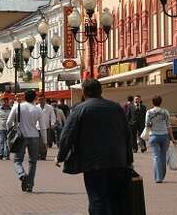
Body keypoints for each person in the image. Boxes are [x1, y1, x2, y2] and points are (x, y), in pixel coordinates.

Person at [56, 78, 133, 215]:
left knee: (97, 198)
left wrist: (60, 156)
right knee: (115, 199)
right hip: (117, 160)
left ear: (84, 92)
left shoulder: (80, 109)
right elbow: (128, 134)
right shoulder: (116, 107)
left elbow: (67, 135)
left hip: (93, 162)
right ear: (101, 91)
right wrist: (128, 158)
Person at [6, 89, 43, 193]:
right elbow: (42, 127)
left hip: (21, 137)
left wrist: (10, 132)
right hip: (34, 136)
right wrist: (44, 141)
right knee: (33, 162)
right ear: (35, 98)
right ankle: (30, 185)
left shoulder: (17, 107)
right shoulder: (37, 109)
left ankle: (22, 175)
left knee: (17, 161)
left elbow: (8, 122)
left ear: (24, 97)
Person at [144, 95, 175, 184]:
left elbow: (147, 125)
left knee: (156, 157)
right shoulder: (165, 112)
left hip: (153, 136)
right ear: (161, 102)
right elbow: (169, 126)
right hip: (164, 136)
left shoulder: (149, 112)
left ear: (152, 102)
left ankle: (158, 178)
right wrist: (172, 138)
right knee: (163, 156)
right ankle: (162, 175)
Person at [0, 95, 12, 160]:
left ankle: (6, 155)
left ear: (8, 102)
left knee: (8, 142)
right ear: (1, 102)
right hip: (1, 128)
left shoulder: (11, 109)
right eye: (3, 101)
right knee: (1, 141)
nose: (4, 103)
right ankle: (0, 154)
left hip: (9, 128)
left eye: (6, 101)